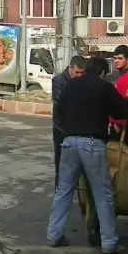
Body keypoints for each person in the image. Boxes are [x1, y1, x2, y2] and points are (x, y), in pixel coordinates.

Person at [48, 54, 128, 254]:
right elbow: (121, 111)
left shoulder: (70, 86)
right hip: (92, 144)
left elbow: (59, 113)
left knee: (64, 190)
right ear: (102, 72)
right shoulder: (104, 87)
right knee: (103, 193)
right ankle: (109, 242)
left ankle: (53, 235)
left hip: (68, 142)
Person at [50, 55, 87, 189]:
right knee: (61, 162)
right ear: (70, 68)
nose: (79, 75)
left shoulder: (85, 81)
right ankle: (59, 189)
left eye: (82, 73)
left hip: (80, 129)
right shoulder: (58, 81)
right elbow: (61, 103)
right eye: (76, 72)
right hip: (62, 128)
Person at [108, 46, 128, 147]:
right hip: (122, 124)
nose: (116, 61)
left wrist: (118, 123)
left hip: (124, 126)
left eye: (120, 58)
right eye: (115, 58)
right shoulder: (123, 76)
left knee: (118, 159)